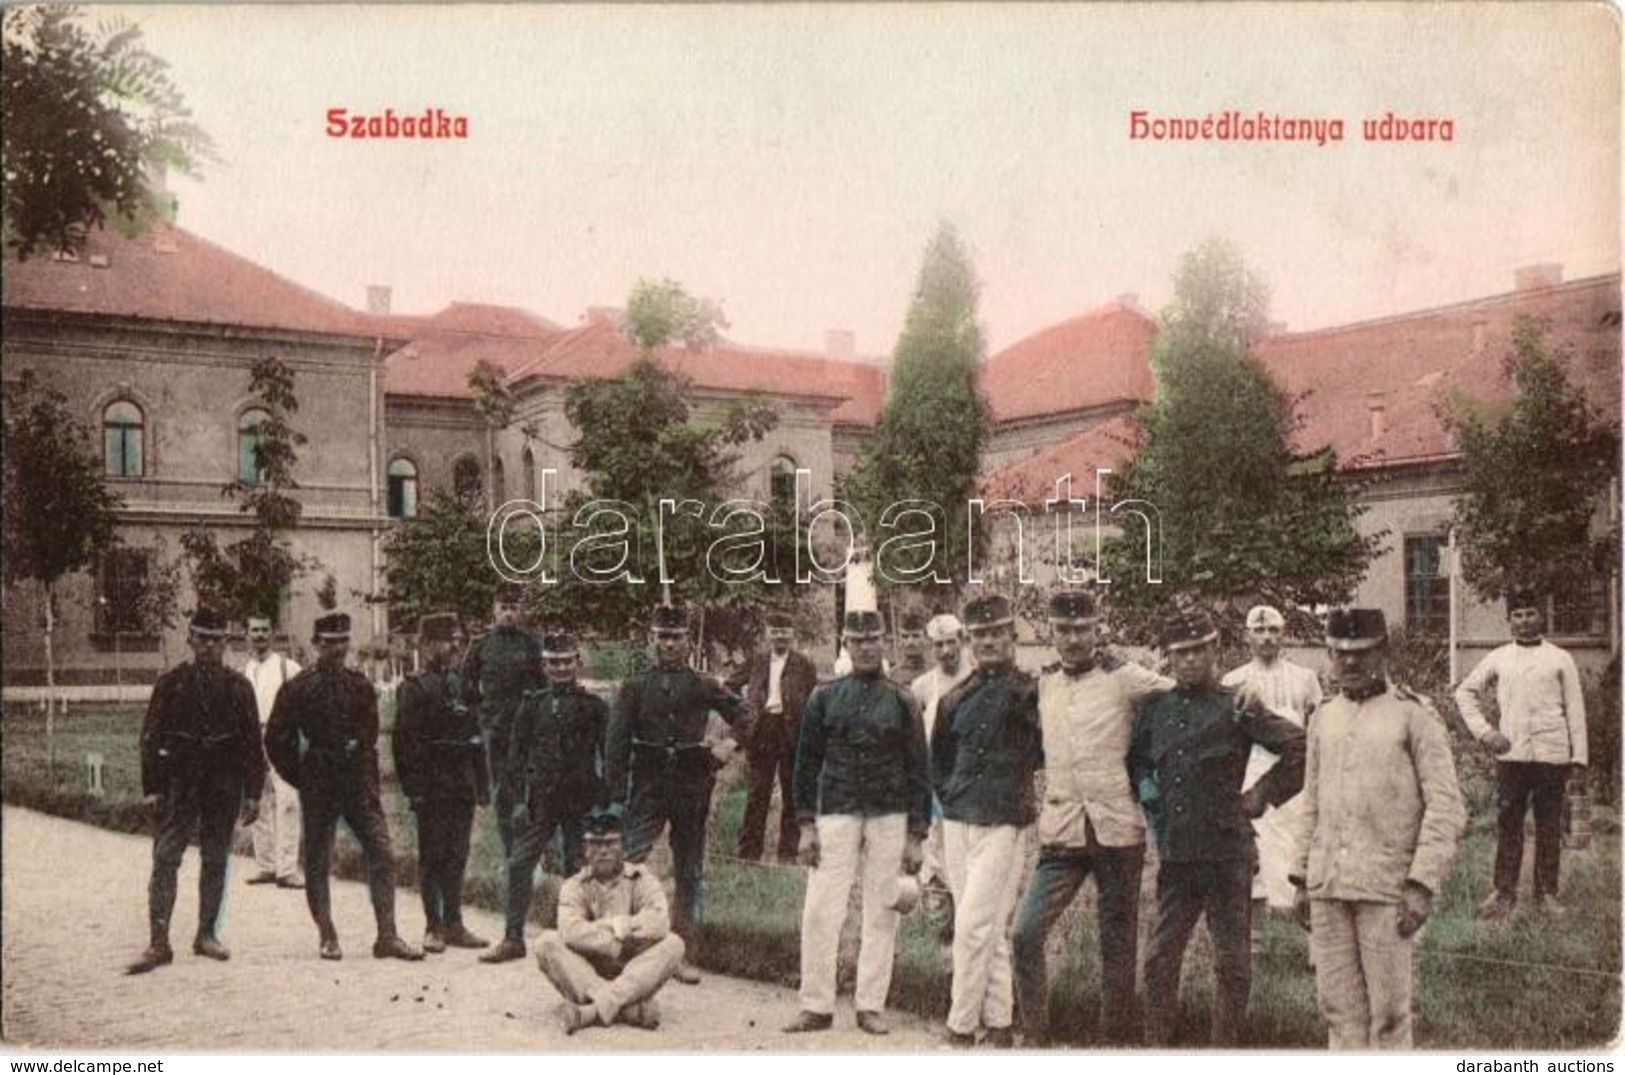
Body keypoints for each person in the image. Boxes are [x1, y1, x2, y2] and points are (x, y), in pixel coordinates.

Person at [1128, 609, 1305, 1047]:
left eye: (1197, 651)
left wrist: (1262, 795)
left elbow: (1300, 748)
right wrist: (1151, 798)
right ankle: (1156, 1045)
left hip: (1228, 853)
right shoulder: (1156, 709)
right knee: (1159, 959)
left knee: (1233, 962)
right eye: (1179, 653)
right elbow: (1137, 760)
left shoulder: (1237, 706)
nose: (1188, 661)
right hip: (1178, 854)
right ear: (1169, 657)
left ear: (1214, 650)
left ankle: (1222, 1047)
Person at [1291, 608, 1467, 1049]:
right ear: (1330, 655)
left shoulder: (1414, 716)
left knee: (1388, 1016)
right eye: (1340, 654)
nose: (1350, 663)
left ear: (1383, 652)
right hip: (1329, 884)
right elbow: (1311, 800)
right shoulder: (1324, 717)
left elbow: (1445, 806)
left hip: (1388, 889)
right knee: (1338, 1010)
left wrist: (1421, 884)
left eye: (1363, 653)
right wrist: (1301, 878)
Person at [1011, 589, 1174, 1046]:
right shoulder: (1044, 685)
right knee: (1024, 934)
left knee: (1117, 943)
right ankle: (1036, 1036)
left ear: (1098, 628)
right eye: (1064, 630)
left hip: (1117, 828)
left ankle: (1112, 1041)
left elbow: (1179, 693)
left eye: (1083, 628)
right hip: (1062, 832)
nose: (1074, 638)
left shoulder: (1124, 678)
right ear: (1052, 634)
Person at [782, 609, 931, 1037]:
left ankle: (870, 1005)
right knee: (818, 910)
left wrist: (916, 835)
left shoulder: (901, 700)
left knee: (883, 910)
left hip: (889, 814)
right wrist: (806, 825)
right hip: (837, 812)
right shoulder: (824, 698)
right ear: (845, 643)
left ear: (884, 643)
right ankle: (815, 1005)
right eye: (857, 640)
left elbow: (919, 769)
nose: (866, 647)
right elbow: (805, 766)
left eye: (873, 639)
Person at [265, 612, 422, 962]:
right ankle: (327, 934)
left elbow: (369, 735)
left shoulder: (360, 685)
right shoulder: (299, 688)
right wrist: (302, 775)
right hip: (320, 782)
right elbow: (276, 739)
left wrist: (366, 778)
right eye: (330, 643)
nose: (338, 649)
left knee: (382, 852)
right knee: (318, 859)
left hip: (357, 784)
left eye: (343, 641)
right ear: (316, 644)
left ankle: (388, 935)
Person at [605, 604, 746, 985]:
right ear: (653, 639)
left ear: (687, 640)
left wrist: (727, 746)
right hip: (648, 786)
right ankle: (618, 945)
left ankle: (683, 953)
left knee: (690, 871)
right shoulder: (636, 686)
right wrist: (616, 796)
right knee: (627, 865)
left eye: (676, 637)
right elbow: (616, 744)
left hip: (691, 785)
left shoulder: (702, 684)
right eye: (662, 637)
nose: (669, 644)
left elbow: (746, 716)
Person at [929, 594, 1041, 1048]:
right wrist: (953, 795)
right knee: (989, 926)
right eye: (981, 635)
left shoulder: (1031, 692)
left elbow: (1044, 751)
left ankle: (959, 1027)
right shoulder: (955, 697)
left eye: (998, 633)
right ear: (969, 640)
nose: (989, 641)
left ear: (1012, 636)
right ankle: (998, 1023)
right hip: (958, 818)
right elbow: (938, 761)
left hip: (1004, 820)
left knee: (972, 925)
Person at [127, 609, 266, 974]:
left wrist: (253, 793)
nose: (207, 646)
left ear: (225, 644)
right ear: (190, 641)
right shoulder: (171, 684)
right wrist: (153, 787)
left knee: (216, 857)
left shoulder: (239, 688)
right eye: (201, 638)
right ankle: (159, 942)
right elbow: (151, 739)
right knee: (166, 857)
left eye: (215, 639)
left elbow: (253, 744)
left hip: (223, 785)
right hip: (180, 784)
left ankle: (206, 934)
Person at [1455, 588, 1588, 920]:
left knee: (1549, 825)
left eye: (1530, 613)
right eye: (1517, 615)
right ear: (1509, 620)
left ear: (1541, 616)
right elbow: (1465, 692)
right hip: (1511, 755)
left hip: (1552, 755)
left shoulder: (1560, 658)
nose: (1524, 621)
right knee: (1509, 823)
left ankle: (1546, 894)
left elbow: (1575, 710)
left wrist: (1579, 759)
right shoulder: (1499, 657)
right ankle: (1503, 893)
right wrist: (1487, 733)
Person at [483, 632, 607, 963]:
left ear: (577, 664)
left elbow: (607, 756)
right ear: (544, 665)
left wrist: (602, 803)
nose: (561, 669)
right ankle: (512, 938)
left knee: (578, 868)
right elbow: (515, 760)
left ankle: (579, 940)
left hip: (579, 801)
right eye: (554, 663)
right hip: (540, 803)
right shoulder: (531, 705)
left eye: (567, 662)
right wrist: (520, 801)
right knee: (519, 862)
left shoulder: (593, 707)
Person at [391, 612, 491, 954]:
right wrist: (414, 789)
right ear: (428, 644)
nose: (455, 647)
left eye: (458, 641)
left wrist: (482, 784)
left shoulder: (463, 686)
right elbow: (404, 745)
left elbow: (475, 737)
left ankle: (455, 923)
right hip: (432, 787)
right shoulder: (414, 688)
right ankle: (433, 925)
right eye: (449, 641)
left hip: (460, 783)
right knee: (433, 855)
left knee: (458, 854)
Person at [539, 810, 687, 1034]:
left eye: (610, 843)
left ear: (623, 847)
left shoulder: (642, 879)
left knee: (674, 943)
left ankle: (590, 1012)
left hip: (634, 968)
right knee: (546, 943)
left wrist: (615, 925)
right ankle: (629, 1010)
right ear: (586, 850)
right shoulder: (574, 886)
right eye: (595, 844)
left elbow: (659, 922)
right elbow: (570, 931)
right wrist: (616, 939)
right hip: (588, 970)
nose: (603, 851)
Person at [1221, 605, 1323, 917]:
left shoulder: (1305, 678)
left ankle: (1310, 934)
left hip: (1293, 780)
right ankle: (1255, 938)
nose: (1266, 638)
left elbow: (1316, 728)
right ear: (1246, 636)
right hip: (1251, 776)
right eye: (1259, 631)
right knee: (1256, 856)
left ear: (1284, 635)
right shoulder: (1233, 680)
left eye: (1273, 631)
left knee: (1300, 848)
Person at [463, 583, 542, 857]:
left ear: (521, 611)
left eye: (514, 608)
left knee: (532, 787)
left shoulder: (531, 644)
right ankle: (511, 850)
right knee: (502, 793)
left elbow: (543, 686)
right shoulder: (481, 646)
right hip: (495, 731)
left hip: (526, 730)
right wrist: (481, 716)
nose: (509, 613)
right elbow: (467, 687)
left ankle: (536, 849)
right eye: (503, 608)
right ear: (494, 611)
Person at [735, 610, 818, 863]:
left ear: (792, 635)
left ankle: (788, 855)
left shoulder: (804, 664)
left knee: (792, 793)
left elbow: (814, 696)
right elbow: (729, 684)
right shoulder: (757, 660)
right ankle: (749, 855)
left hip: (792, 731)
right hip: (762, 730)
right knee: (757, 794)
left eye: (785, 632)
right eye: (775, 631)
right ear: (767, 633)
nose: (780, 637)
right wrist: (744, 710)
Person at [909, 613, 971, 942]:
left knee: (968, 866)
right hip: (935, 788)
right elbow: (913, 741)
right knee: (934, 858)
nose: (946, 650)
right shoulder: (923, 686)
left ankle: (968, 933)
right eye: (938, 645)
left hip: (971, 787)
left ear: (963, 639)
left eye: (951, 642)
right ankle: (941, 939)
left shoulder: (977, 677)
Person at [241, 615, 304, 889]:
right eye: (254, 630)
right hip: (252, 737)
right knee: (259, 800)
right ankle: (266, 864)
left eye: (264, 629)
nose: (259, 635)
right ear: (247, 635)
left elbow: (305, 703)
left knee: (287, 800)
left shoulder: (288, 667)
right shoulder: (245, 671)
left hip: (282, 738)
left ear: (273, 633)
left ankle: (287, 868)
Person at [890, 610, 930, 689]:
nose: (910, 642)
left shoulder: (937, 671)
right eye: (905, 637)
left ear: (926, 638)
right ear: (899, 640)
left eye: (916, 636)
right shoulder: (893, 676)